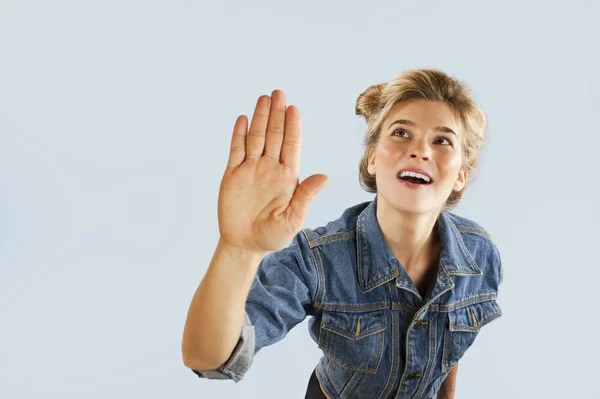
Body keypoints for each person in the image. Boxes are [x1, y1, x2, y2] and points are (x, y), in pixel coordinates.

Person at [181, 69, 503, 399]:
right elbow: (209, 358)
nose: (421, 150)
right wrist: (238, 248)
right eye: (401, 133)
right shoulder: (318, 259)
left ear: (462, 175)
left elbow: (448, 347)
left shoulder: (480, 253)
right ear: (374, 159)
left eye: (442, 140)